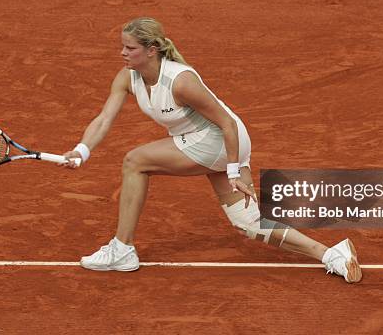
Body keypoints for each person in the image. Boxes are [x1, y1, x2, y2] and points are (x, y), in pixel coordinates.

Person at [62, 17, 362, 283]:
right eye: (122, 47)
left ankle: (122, 248)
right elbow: (103, 119)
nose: (122, 53)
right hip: (206, 142)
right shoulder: (127, 77)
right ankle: (332, 254)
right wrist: (81, 150)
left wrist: (234, 169)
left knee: (135, 161)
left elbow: (226, 124)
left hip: (220, 139)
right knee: (249, 223)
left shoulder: (180, 81)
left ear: (151, 50)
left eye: (130, 48)